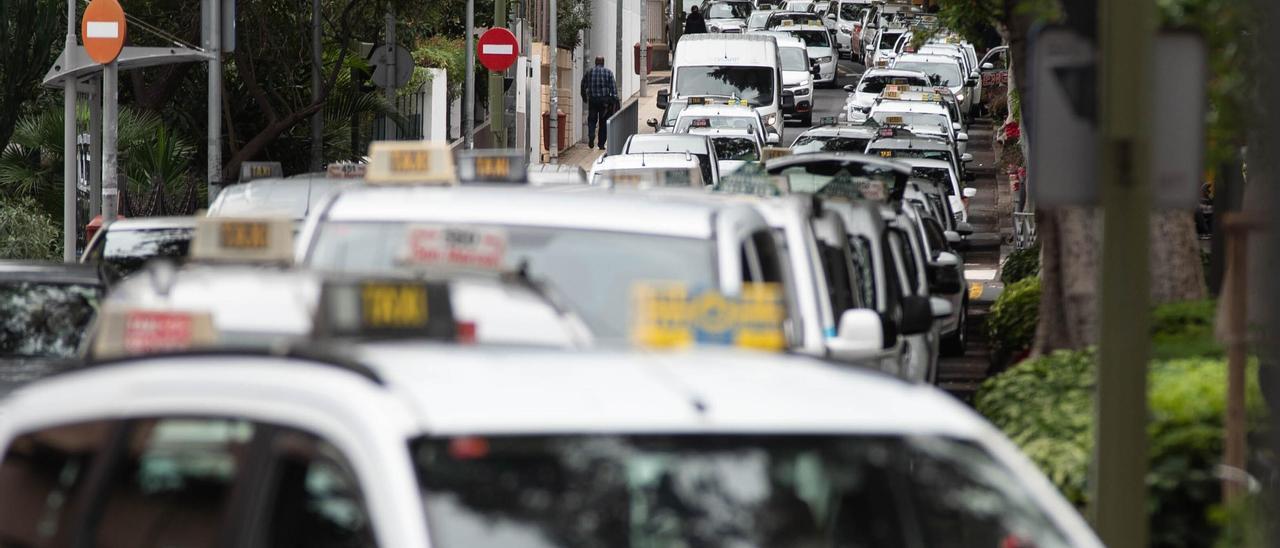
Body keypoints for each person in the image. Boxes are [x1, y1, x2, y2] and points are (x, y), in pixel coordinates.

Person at [580, 56, 618, 150]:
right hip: (604, 102)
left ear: (595, 62)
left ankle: (591, 135)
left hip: (592, 100)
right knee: (603, 122)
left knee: (592, 120)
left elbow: (583, 84)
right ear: (603, 62)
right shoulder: (608, 72)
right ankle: (601, 144)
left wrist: (584, 96)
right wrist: (614, 100)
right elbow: (613, 88)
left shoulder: (589, 72)